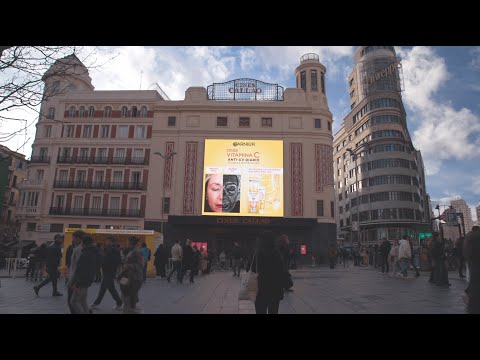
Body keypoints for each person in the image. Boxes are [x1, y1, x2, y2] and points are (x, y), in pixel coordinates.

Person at [249, 231, 285, 314]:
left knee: (260, 311)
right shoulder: (277, 254)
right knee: (273, 311)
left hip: (260, 288)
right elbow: (281, 272)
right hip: (274, 288)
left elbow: (251, 269)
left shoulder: (257, 254)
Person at [91, 236, 123, 311]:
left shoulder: (111, 250)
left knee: (103, 288)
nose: (106, 242)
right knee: (111, 288)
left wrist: (103, 265)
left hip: (109, 271)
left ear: (110, 241)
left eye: (107, 241)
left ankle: (96, 303)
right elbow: (118, 261)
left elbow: (108, 260)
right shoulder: (114, 249)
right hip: (110, 271)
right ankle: (119, 303)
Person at [69, 235, 97, 314]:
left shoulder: (85, 254)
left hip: (81, 281)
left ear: (83, 243)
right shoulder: (93, 252)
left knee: (74, 301)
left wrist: (76, 283)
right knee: (83, 300)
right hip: (87, 280)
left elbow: (80, 270)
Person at [118, 236, 144, 313]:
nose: (127, 244)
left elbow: (140, 265)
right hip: (127, 276)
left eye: (127, 242)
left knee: (126, 298)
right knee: (125, 297)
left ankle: (129, 310)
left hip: (133, 278)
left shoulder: (137, 252)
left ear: (131, 243)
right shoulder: (131, 251)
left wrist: (128, 266)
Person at [66, 230, 86, 313]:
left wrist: (73, 281)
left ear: (78, 238)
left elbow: (78, 266)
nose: (73, 239)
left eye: (73, 237)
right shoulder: (79, 248)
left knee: (73, 301)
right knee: (80, 301)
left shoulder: (79, 249)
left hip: (75, 279)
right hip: (77, 278)